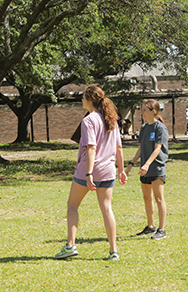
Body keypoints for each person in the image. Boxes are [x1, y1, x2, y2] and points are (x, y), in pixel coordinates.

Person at [55, 86, 127, 261]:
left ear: (89, 100)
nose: (81, 100)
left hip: (90, 171)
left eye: (82, 98)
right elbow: (118, 147)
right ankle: (113, 251)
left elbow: (91, 147)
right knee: (107, 209)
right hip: (109, 171)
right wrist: (122, 170)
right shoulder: (112, 119)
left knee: (72, 205)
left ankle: (70, 245)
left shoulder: (89, 120)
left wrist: (88, 174)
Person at [125, 99, 168, 240]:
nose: (142, 112)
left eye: (144, 110)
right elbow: (141, 148)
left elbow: (158, 149)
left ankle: (162, 230)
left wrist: (147, 164)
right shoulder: (144, 127)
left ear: (153, 111)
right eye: (142, 109)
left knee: (158, 198)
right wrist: (131, 163)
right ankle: (151, 227)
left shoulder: (160, 128)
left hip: (156, 168)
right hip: (145, 169)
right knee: (146, 198)